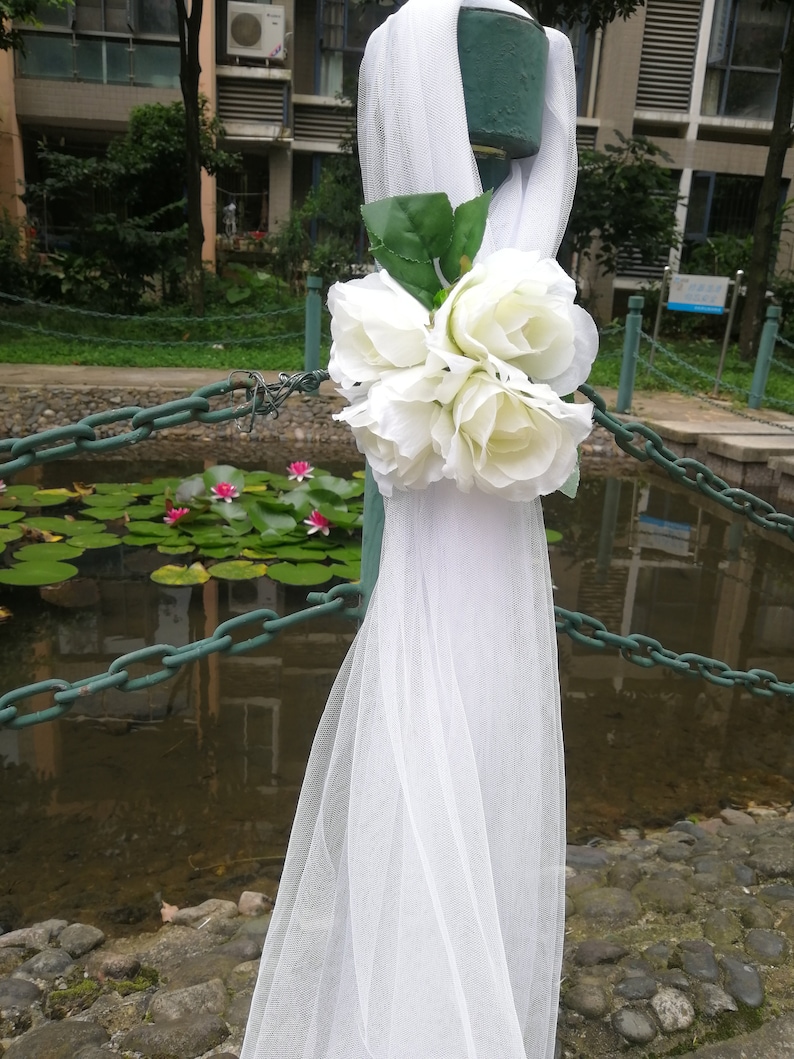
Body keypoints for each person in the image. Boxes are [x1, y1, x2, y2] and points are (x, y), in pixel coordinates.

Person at [241, 2, 594, 1056]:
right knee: (431, 761)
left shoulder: (508, 273)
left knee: (467, 769)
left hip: (478, 561)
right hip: (450, 576)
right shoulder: (467, 273)